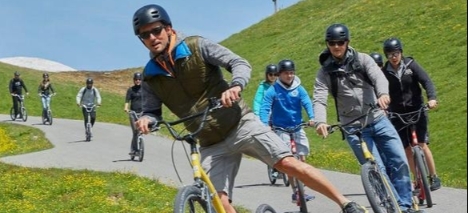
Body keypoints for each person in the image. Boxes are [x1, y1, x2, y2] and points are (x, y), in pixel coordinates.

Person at [131, 4, 367, 213]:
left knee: (288, 163)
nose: (152, 37)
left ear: (169, 28)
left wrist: (235, 86)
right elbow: (151, 111)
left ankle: (346, 203)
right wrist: (146, 120)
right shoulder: (151, 75)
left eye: (156, 30)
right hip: (209, 142)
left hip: (240, 123)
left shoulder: (196, 46)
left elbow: (238, 63)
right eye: (145, 35)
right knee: (217, 200)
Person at [312, 23, 422, 213]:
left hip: (377, 118)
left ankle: (406, 205)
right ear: (327, 44)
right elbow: (319, 97)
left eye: (340, 42)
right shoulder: (324, 72)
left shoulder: (362, 59)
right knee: (376, 170)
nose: (336, 46)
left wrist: (382, 94)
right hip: (353, 127)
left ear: (347, 42)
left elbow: (379, 77)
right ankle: (394, 208)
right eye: (332, 43)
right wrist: (321, 120)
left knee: (399, 160)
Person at [381, 37, 441, 191]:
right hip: (397, 114)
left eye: (396, 53)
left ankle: (434, 176)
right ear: (386, 55)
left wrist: (432, 99)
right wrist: (383, 108)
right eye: (390, 55)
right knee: (407, 148)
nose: (393, 57)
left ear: (401, 52)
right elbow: (379, 92)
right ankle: (417, 180)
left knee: (422, 144)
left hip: (417, 110)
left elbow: (426, 81)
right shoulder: (384, 72)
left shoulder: (411, 65)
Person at [260, 59, 316, 202]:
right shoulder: (273, 90)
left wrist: (312, 117)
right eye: (286, 73)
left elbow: (306, 102)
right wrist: (264, 124)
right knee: (289, 161)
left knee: (302, 158)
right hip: (281, 128)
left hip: (297, 126)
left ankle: (304, 188)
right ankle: (295, 192)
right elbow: (265, 107)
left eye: (291, 73)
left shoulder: (299, 88)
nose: (289, 76)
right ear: (279, 74)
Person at [124, 72, 144, 156]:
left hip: (142, 112)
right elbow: (127, 100)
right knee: (135, 131)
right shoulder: (131, 90)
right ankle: (134, 150)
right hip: (133, 113)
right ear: (134, 80)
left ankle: (140, 147)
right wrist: (126, 108)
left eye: (139, 79)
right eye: (136, 79)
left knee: (141, 130)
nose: (138, 81)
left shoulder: (144, 89)